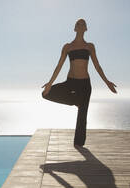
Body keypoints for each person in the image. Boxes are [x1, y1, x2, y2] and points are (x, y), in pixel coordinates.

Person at [41, 18, 117, 148]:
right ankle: (74, 101)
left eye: (83, 24)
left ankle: (78, 143)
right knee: (46, 94)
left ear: (86, 29)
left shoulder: (90, 46)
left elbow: (97, 66)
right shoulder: (68, 47)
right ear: (75, 28)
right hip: (70, 82)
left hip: (85, 84)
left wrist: (107, 82)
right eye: (78, 24)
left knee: (83, 114)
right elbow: (58, 66)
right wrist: (49, 83)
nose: (80, 25)